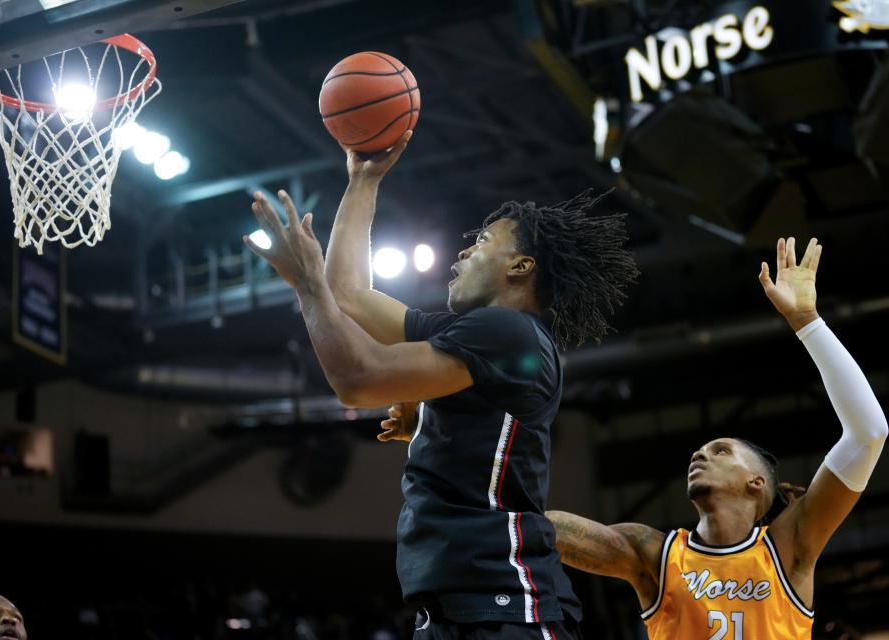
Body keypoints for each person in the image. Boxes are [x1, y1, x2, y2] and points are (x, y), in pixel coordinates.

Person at [243, 131, 638, 639]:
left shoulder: (508, 331)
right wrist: (363, 182)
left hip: (504, 602)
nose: (461, 254)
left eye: (481, 242)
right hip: (462, 605)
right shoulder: (482, 336)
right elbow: (350, 296)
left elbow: (358, 379)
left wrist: (306, 284)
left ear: (521, 267)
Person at [542, 237, 889, 639]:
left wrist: (807, 321)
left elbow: (869, 434)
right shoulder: (656, 554)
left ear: (755, 482)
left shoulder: (788, 547)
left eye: (720, 451)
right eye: (700, 451)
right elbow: (539, 529)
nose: (699, 455)